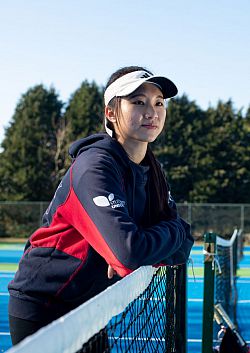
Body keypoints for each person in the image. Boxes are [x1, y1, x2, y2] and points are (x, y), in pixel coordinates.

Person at [8, 66, 194, 346]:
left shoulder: (152, 169)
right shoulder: (95, 167)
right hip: (46, 304)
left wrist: (166, 238)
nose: (151, 112)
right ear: (111, 112)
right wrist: (159, 241)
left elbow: (184, 241)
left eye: (159, 103)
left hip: (92, 304)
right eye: (138, 101)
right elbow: (130, 252)